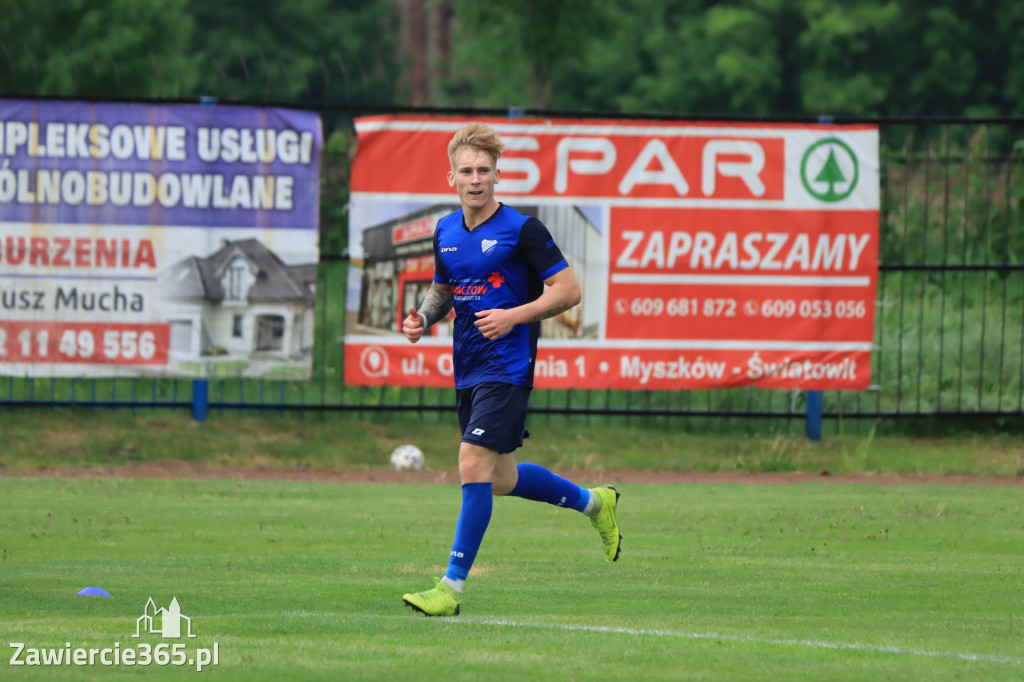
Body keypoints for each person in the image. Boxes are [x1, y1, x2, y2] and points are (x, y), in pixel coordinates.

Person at [399, 121, 622, 617]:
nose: (475, 179)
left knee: (471, 462)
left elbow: (569, 292)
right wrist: (422, 317)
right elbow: (444, 290)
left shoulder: (523, 229)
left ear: (497, 175)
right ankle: (594, 503)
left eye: (483, 170)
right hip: (468, 367)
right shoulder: (445, 230)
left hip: (509, 365)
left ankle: (450, 590)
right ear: (450, 178)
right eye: (466, 171)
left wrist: (513, 315)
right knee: (498, 477)